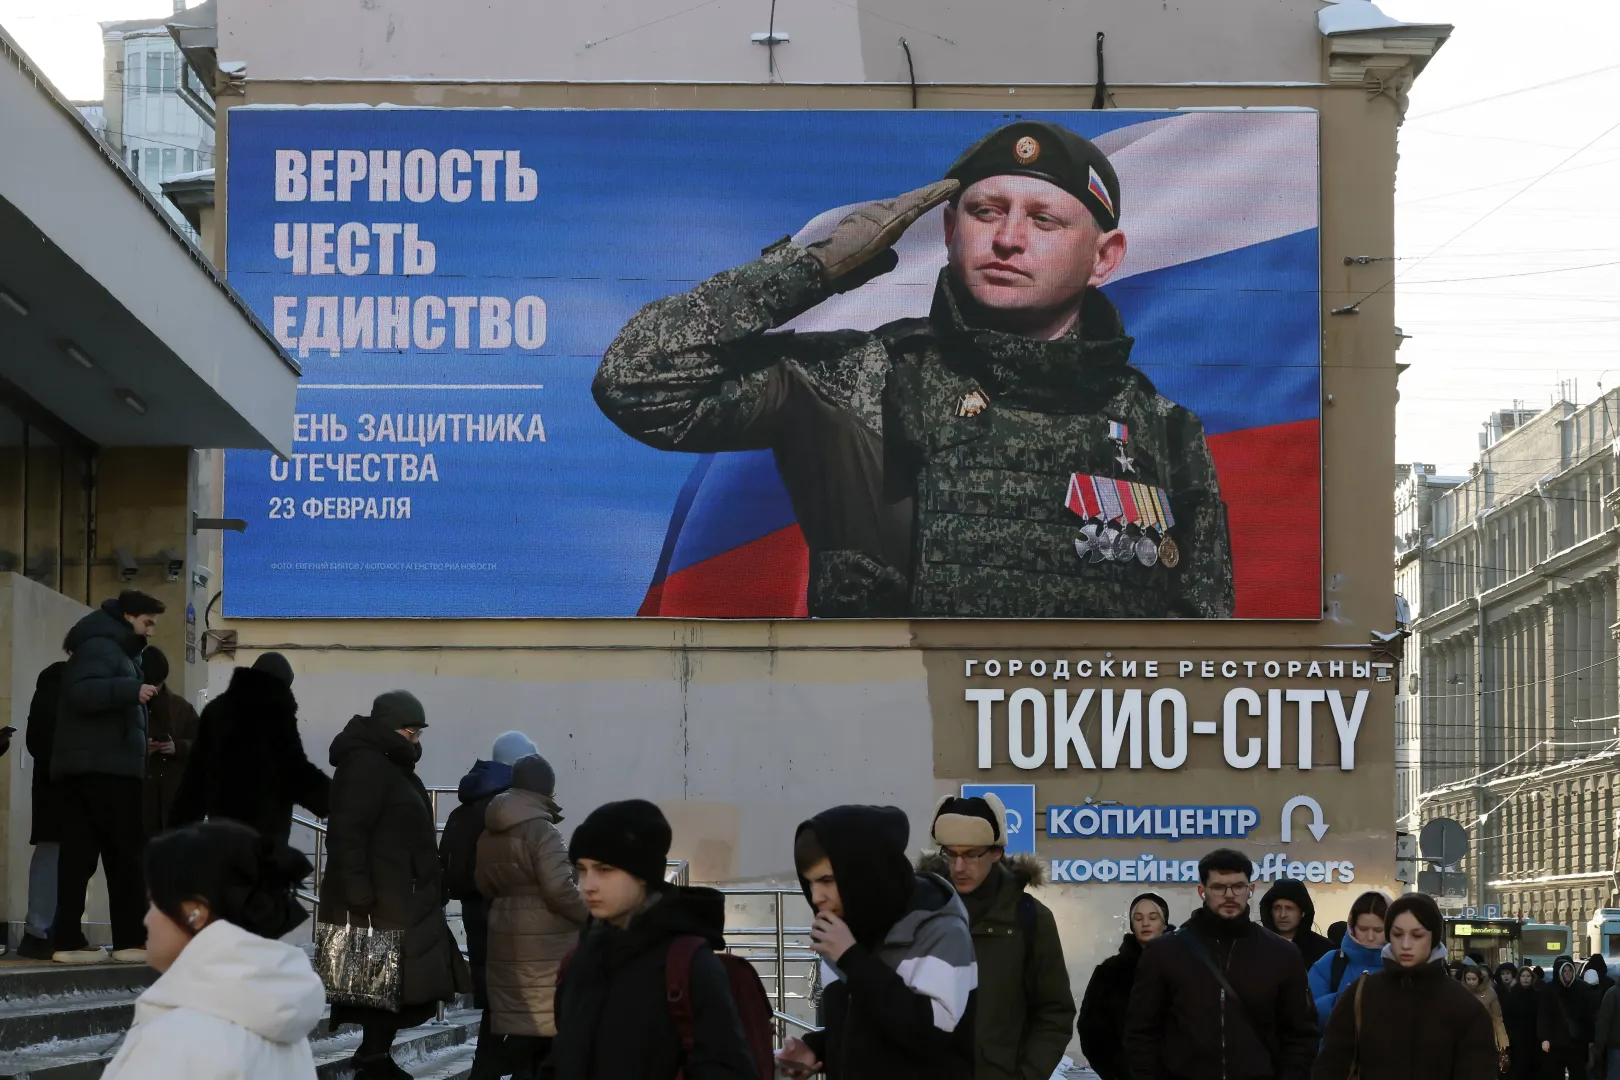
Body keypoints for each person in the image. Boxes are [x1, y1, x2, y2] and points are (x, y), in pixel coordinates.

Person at [595, 120, 1234, 619]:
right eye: (987, 212)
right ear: (951, 229)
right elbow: (637, 381)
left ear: (1105, 258)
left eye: (1044, 220)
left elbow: (1198, 642)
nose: (1008, 239)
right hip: (890, 726)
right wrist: (812, 267)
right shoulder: (864, 375)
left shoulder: (1163, 432)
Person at [540, 798, 756, 1079]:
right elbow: (563, 1056)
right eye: (582, 869)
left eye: (604, 870)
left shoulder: (687, 963)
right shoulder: (582, 957)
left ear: (643, 875)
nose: (588, 885)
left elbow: (726, 1067)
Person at [319, 691, 470, 1079]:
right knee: (385, 985)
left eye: (419, 732)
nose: (416, 740)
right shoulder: (366, 765)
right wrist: (357, 892)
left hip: (398, 894)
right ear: (389, 728)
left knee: (401, 985)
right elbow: (346, 833)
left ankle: (375, 1056)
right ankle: (372, 1059)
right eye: (410, 731)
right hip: (375, 900)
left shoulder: (391, 766)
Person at [100, 821, 324, 1079]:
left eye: (154, 904)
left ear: (195, 913)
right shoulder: (280, 1026)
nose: (146, 919)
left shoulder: (179, 1039)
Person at [777, 804, 977, 1079]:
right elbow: (868, 1028)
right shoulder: (848, 931)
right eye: (810, 883)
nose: (816, 897)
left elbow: (929, 1037)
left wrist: (853, 959)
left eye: (827, 880)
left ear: (866, 874)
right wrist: (817, 1048)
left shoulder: (941, 931)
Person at [1124, 848, 1317, 1080]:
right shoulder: (1164, 952)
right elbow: (1141, 1032)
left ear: (1251, 889)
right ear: (1202, 891)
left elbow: (1300, 1034)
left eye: (1238, 886)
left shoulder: (1282, 954)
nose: (1229, 895)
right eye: (1218, 887)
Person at [917, 794, 1073, 1080]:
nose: (959, 867)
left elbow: (1054, 1013)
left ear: (996, 852)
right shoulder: (919, 913)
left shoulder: (1030, 918)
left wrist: (1027, 1075)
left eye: (971, 854)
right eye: (950, 854)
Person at [50, 589, 164, 965]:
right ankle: (130, 939)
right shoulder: (102, 646)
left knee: (81, 854)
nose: (150, 631)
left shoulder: (109, 647)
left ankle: (69, 939)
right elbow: (82, 692)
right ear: (128, 617)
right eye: (147, 623)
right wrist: (131, 689)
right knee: (124, 855)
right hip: (105, 770)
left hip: (95, 767)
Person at [470, 754, 587, 1080]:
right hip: (546, 941)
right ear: (546, 790)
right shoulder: (542, 831)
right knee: (541, 1028)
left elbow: (482, 883)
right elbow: (559, 889)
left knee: (522, 1025)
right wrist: (590, 915)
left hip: (504, 930)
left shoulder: (490, 830)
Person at [1311, 893, 1497, 1080]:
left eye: (1417, 935)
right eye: (1397, 934)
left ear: (1433, 937)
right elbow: (1330, 1066)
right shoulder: (1361, 994)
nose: (1406, 944)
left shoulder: (1464, 1006)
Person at [170, 652, 330, 845]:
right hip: (265, 837)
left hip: (223, 834)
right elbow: (296, 773)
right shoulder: (276, 717)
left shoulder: (216, 711)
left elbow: (195, 779)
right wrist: (336, 799)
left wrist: (177, 831)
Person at [438, 730, 540, 1016]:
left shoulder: (470, 804)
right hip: (505, 902)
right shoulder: (511, 805)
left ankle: (490, 1037)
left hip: (473, 901)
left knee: (487, 977)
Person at [1078, 892, 1174, 1080]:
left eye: (1153, 917)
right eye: (1138, 918)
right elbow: (1091, 1030)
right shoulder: (1109, 972)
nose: (1145, 923)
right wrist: (1115, 1072)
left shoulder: (1184, 965)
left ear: (1164, 923)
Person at [19, 637, 69, 960]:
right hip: (58, 791)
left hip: (56, 790)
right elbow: (40, 741)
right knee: (53, 858)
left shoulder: (55, 685)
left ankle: (44, 930)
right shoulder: (57, 684)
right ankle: (40, 930)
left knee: (55, 858)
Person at [139, 647, 197, 838]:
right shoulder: (129, 706)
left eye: (158, 684)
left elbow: (202, 743)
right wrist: (142, 749)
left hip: (172, 797)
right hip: (141, 800)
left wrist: (176, 747)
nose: (155, 689)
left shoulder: (181, 708)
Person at [1307, 890, 1388, 1022]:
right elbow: (1307, 1013)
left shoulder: (1403, 962)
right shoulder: (1331, 962)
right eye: (1363, 929)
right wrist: (1343, 1000)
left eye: (1378, 930)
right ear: (1352, 927)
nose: (1370, 937)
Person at [1539, 955, 1597, 1080]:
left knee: (1578, 1074)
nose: (1567, 973)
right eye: (1564, 971)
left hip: (1577, 1041)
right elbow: (1543, 1015)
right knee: (1555, 1074)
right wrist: (1544, 1038)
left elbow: (1588, 1015)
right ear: (1559, 972)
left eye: (1570, 970)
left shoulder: (1582, 988)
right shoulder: (1548, 990)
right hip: (1556, 1043)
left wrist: (1590, 1039)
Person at [1259, 879, 1334, 969]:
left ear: (1302, 912)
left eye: (1289, 908)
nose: (1282, 915)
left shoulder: (1324, 950)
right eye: (1277, 908)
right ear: (1270, 911)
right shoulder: (1256, 946)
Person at [1461, 959, 1509, 1071]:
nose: (1471, 982)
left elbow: (1497, 1019)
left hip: (1485, 1036)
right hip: (1464, 1038)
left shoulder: (1490, 993)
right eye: (1468, 979)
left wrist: (1503, 1043)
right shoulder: (1459, 992)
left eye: (1474, 979)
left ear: (1480, 978)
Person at [1503, 966, 1542, 1080]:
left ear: (1532, 978)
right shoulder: (1513, 994)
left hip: (1534, 1037)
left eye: (1528, 976)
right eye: (1523, 976)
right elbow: (1507, 1016)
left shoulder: (1537, 995)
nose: (1525, 978)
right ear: (1519, 978)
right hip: (1517, 1038)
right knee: (1519, 1067)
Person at [1593, 975, 1620, 1080]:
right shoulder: (1613, 993)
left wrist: (1598, 1047)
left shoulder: (1612, 993)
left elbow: (1603, 1021)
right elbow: (1603, 1021)